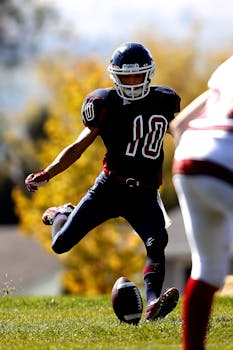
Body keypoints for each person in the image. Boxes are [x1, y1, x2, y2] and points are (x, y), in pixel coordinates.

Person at [25, 42, 180, 321]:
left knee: (157, 241)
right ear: (115, 77)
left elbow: (180, 133)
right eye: (126, 77)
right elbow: (78, 146)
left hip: (144, 193)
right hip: (109, 188)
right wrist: (47, 173)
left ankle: (154, 302)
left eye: (137, 76)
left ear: (149, 74)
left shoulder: (164, 101)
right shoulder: (104, 104)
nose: (132, 83)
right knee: (60, 245)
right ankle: (62, 213)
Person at [170, 55, 233, 349]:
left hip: (189, 156)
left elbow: (180, 125)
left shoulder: (228, 65)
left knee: (205, 269)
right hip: (225, 153)